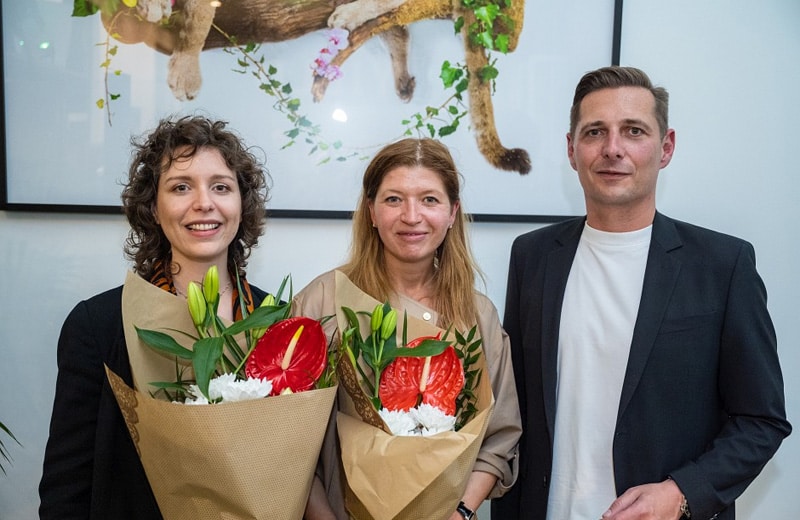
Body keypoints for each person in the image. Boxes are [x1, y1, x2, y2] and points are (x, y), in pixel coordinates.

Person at [491, 66, 792, 520]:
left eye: (634, 131)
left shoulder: (722, 265)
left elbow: (761, 420)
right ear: (571, 150)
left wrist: (681, 493)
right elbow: (517, 408)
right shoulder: (532, 256)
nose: (613, 149)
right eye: (595, 132)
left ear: (665, 147)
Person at [39, 115, 271, 519]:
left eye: (221, 187)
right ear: (153, 208)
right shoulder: (98, 325)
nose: (204, 202)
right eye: (181, 187)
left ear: (241, 204)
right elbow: (66, 490)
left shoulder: (278, 321)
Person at [294, 137, 522, 520]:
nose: (411, 216)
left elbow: (499, 439)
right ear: (371, 211)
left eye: (429, 199)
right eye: (394, 199)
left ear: (452, 212)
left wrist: (461, 513)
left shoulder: (476, 316)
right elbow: (291, 445)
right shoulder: (324, 302)